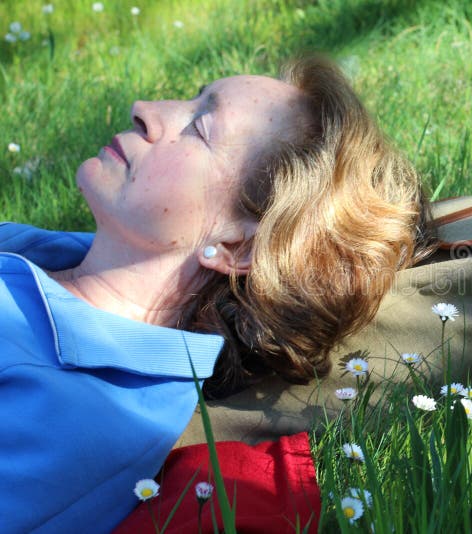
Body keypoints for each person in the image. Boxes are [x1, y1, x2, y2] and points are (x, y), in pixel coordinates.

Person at [0, 55, 431, 532]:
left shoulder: (79, 407)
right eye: (188, 99)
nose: (145, 108)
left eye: (199, 127)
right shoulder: (42, 260)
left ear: (236, 246)